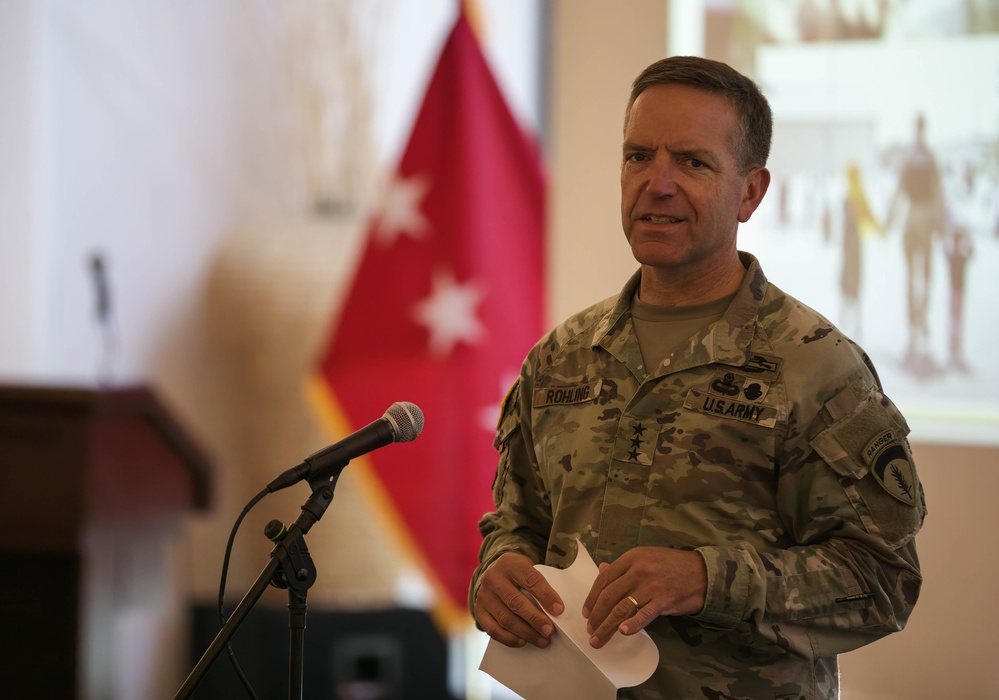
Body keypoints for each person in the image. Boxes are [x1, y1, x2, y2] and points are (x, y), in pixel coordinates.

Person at [469, 56, 924, 700]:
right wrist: (498, 573)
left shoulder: (816, 366)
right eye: (637, 157)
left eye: (693, 162)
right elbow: (518, 522)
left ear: (751, 192)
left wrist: (710, 580)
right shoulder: (560, 357)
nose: (657, 184)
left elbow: (883, 581)